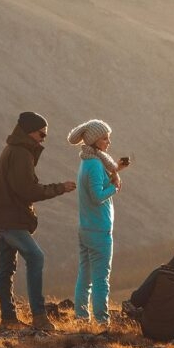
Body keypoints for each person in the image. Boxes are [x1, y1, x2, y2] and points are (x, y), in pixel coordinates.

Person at [0, 111, 76, 331]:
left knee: (6, 268)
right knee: (36, 257)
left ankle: (8, 318)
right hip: (12, 220)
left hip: (3, 217)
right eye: (41, 134)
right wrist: (60, 188)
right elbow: (27, 190)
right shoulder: (21, 153)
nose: (43, 138)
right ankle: (39, 316)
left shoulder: (12, 149)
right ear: (29, 131)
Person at [68, 119, 129, 327]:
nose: (108, 142)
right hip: (99, 230)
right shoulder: (95, 164)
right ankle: (102, 321)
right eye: (104, 138)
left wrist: (115, 173)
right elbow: (96, 195)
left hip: (85, 228)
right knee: (101, 278)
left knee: (85, 275)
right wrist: (116, 188)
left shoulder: (88, 161)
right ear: (94, 141)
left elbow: (95, 186)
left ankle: (81, 318)